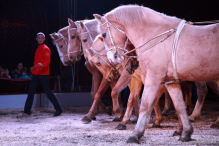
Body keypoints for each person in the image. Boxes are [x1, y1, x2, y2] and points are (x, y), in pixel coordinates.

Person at [20, 32, 62, 117]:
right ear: (36, 39)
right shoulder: (37, 48)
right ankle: (26, 112)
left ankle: (58, 109)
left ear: (44, 39)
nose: (40, 39)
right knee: (30, 93)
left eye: (41, 38)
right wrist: (33, 69)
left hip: (43, 74)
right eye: (38, 37)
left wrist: (42, 65)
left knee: (48, 93)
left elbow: (47, 61)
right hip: (36, 74)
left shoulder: (46, 48)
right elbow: (37, 62)